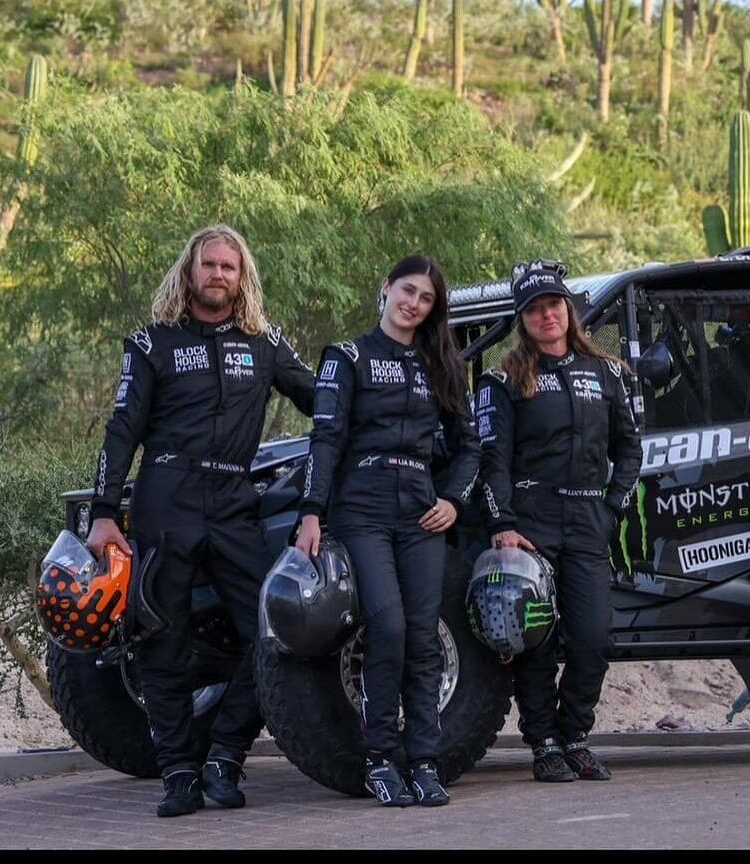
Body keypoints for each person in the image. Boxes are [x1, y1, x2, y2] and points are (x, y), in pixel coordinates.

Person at [87, 223, 315, 816]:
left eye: (229, 267)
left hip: (235, 499)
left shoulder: (263, 339)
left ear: (243, 278)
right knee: (159, 639)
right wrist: (104, 511)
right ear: (190, 269)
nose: (218, 274)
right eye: (209, 264)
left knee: (275, 630)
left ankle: (225, 756)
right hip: (168, 496)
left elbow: (322, 399)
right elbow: (121, 432)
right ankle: (180, 775)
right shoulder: (151, 341)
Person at [295, 255, 480, 807]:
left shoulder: (443, 364)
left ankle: (425, 762)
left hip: (422, 513)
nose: (414, 304)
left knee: (424, 636)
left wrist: (453, 500)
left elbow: (470, 448)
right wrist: (311, 512)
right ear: (386, 289)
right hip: (362, 511)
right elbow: (324, 440)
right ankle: (379, 759)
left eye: (425, 299)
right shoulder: (346, 357)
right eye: (407, 291)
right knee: (389, 627)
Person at [476, 259, 643, 783]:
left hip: (589, 520)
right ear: (521, 319)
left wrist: (612, 505)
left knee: (594, 638)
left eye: (554, 305)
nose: (546, 315)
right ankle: (544, 742)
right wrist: (502, 521)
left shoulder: (608, 372)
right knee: (536, 639)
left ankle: (575, 735)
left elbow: (631, 449)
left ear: (569, 310)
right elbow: (492, 460)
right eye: (534, 309)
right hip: (531, 525)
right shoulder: (504, 380)